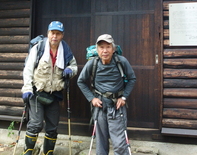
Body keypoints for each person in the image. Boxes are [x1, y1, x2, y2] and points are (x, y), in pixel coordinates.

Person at [21, 21, 78, 155]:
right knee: (35, 124)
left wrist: (70, 70)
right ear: (48, 33)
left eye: (58, 34)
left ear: (62, 35)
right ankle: (28, 152)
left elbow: (74, 66)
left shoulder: (66, 49)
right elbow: (28, 69)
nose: (55, 36)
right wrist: (27, 89)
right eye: (53, 33)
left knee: (52, 127)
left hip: (54, 94)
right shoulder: (39, 47)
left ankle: (48, 153)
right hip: (36, 92)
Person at [77, 34, 136, 155]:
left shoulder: (121, 61)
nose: (105, 50)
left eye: (108, 47)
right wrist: (92, 99)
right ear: (97, 49)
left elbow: (132, 79)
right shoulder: (92, 64)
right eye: (101, 47)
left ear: (113, 49)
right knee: (101, 142)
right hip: (100, 107)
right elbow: (81, 81)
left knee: (119, 143)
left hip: (117, 107)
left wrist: (124, 97)